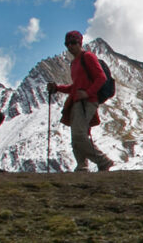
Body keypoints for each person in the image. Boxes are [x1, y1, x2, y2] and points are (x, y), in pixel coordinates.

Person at [47, 31, 114, 172]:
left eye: (73, 43)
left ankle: (103, 161)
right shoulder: (74, 63)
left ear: (80, 43)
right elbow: (75, 86)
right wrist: (57, 88)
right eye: (67, 44)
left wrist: (87, 93)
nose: (70, 46)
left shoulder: (88, 57)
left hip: (87, 101)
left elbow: (101, 77)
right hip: (78, 101)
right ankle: (82, 165)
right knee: (77, 135)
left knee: (78, 134)